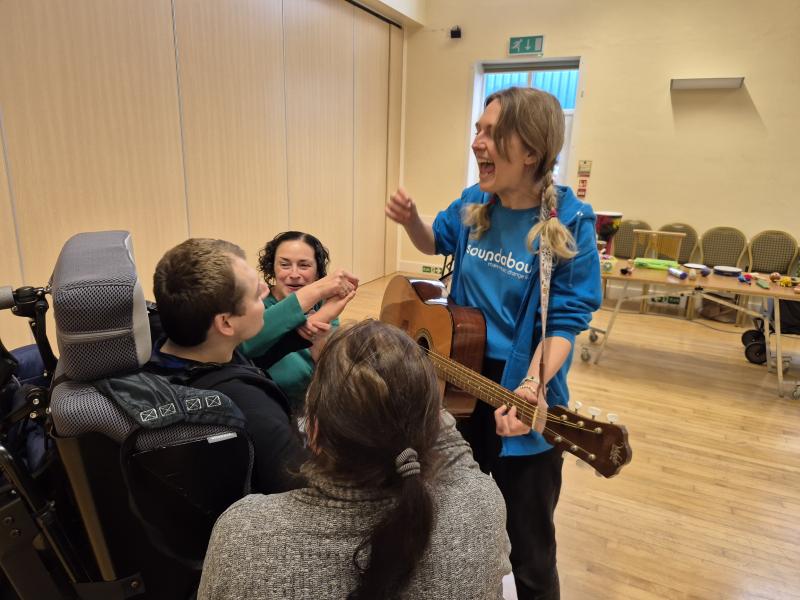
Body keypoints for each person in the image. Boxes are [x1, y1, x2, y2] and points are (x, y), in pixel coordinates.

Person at [385, 86, 602, 600]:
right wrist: (412, 221)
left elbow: (565, 320)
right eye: (477, 130)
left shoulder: (569, 221)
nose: (476, 141)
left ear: (530, 150)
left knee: (529, 551)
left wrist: (532, 385)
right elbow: (434, 239)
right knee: (450, 513)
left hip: (520, 392)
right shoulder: (474, 201)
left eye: (490, 133)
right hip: (453, 383)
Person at [198, 320, 511, 600]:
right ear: (429, 426)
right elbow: (452, 447)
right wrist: (404, 381)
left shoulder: (246, 535)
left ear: (314, 431)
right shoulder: (481, 503)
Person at [149, 238, 309, 494]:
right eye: (256, 294)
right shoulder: (253, 409)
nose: (266, 290)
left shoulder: (162, 339)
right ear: (225, 323)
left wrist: (298, 338)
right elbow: (301, 490)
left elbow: (243, 359)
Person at [240, 231, 357, 411]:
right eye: (285, 265)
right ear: (272, 268)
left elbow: (333, 369)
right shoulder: (258, 306)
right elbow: (247, 347)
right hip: (276, 408)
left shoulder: (322, 305)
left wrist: (321, 328)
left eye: (304, 265)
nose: (294, 274)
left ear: (318, 270)